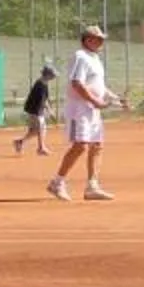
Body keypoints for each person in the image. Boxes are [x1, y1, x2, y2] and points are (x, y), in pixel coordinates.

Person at [49, 26, 116, 201]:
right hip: (78, 110)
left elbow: (98, 85)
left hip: (92, 110)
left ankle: (92, 187)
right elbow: (77, 83)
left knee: (97, 145)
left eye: (102, 39)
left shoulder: (96, 59)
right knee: (81, 145)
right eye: (98, 39)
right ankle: (57, 183)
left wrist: (115, 98)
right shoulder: (80, 56)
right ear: (87, 40)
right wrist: (95, 101)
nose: (101, 42)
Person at [14, 62, 56, 155]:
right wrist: (50, 112)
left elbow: (46, 99)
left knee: (35, 131)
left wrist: (49, 109)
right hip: (34, 110)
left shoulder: (44, 83)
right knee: (41, 128)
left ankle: (20, 142)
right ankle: (41, 148)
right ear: (47, 74)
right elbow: (43, 101)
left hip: (36, 109)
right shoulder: (40, 85)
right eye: (52, 74)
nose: (54, 76)